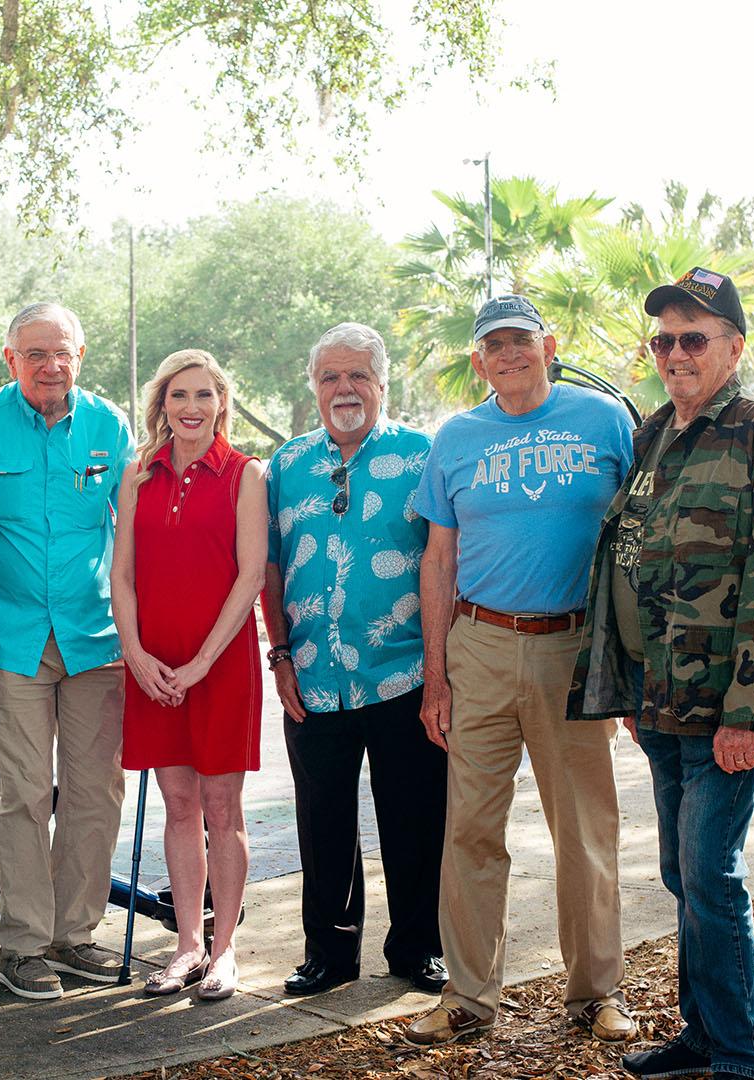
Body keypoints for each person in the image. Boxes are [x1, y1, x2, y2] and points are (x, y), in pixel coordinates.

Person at [568, 268, 754, 1080]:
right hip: (657, 696)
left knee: (711, 872)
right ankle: (703, 1035)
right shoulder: (651, 436)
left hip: (722, 708)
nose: (676, 352)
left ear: (733, 348)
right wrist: (625, 687)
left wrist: (748, 713)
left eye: (695, 338)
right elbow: (629, 560)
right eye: (665, 339)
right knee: (683, 871)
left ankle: (744, 1054)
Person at [405, 295, 639, 1047]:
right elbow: (437, 559)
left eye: (521, 342)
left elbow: (642, 535)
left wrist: (634, 665)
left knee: (584, 829)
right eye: (494, 347)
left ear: (549, 345)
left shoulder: (604, 422)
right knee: (471, 828)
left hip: (574, 649)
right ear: (479, 361)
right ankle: (468, 995)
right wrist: (436, 676)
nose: (509, 356)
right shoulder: (458, 439)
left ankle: (596, 994)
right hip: (480, 641)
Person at [0, 302, 134, 999]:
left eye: (63, 354)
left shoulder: (108, 425)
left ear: (80, 355)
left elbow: (132, 531)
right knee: (23, 790)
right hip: (8, 640)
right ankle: (22, 945)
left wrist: (141, 632)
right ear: (11, 360)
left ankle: (73, 935)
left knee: (95, 791)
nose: (51, 366)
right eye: (36, 355)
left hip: (95, 639)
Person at [260, 322, 446, 998]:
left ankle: (419, 948)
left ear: (381, 384)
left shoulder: (424, 456)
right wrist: (279, 655)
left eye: (357, 375)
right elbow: (271, 570)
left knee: (415, 819)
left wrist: (441, 672)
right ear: (314, 388)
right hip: (312, 679)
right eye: (329, 377)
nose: (344, 388)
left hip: (404, 675)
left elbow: (442, 561)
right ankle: (329, 956)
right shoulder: (285, 465)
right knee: (323, 821)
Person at [112, 349, 267, 1002]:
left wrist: (202, 662)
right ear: (162, 405)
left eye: (205, 395)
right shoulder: (137, 475)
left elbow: (251, 574)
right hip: (153, 669)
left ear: (222, 404)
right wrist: (137, 655)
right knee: (178, 806)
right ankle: (186, 947)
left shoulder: (246, 475)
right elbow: (120, 574)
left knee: (220, 807)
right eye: (180, 396)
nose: (192, 408)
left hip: (219, 664)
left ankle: (225, 950)